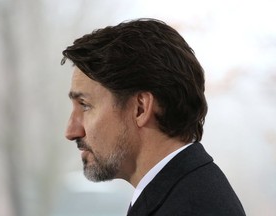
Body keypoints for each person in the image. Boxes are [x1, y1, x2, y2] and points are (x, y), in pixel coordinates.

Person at [61, 18, 246, 216]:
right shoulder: (186, 194)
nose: (71, 131)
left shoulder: (190, 207)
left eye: (85, 105)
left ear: (140, 108)